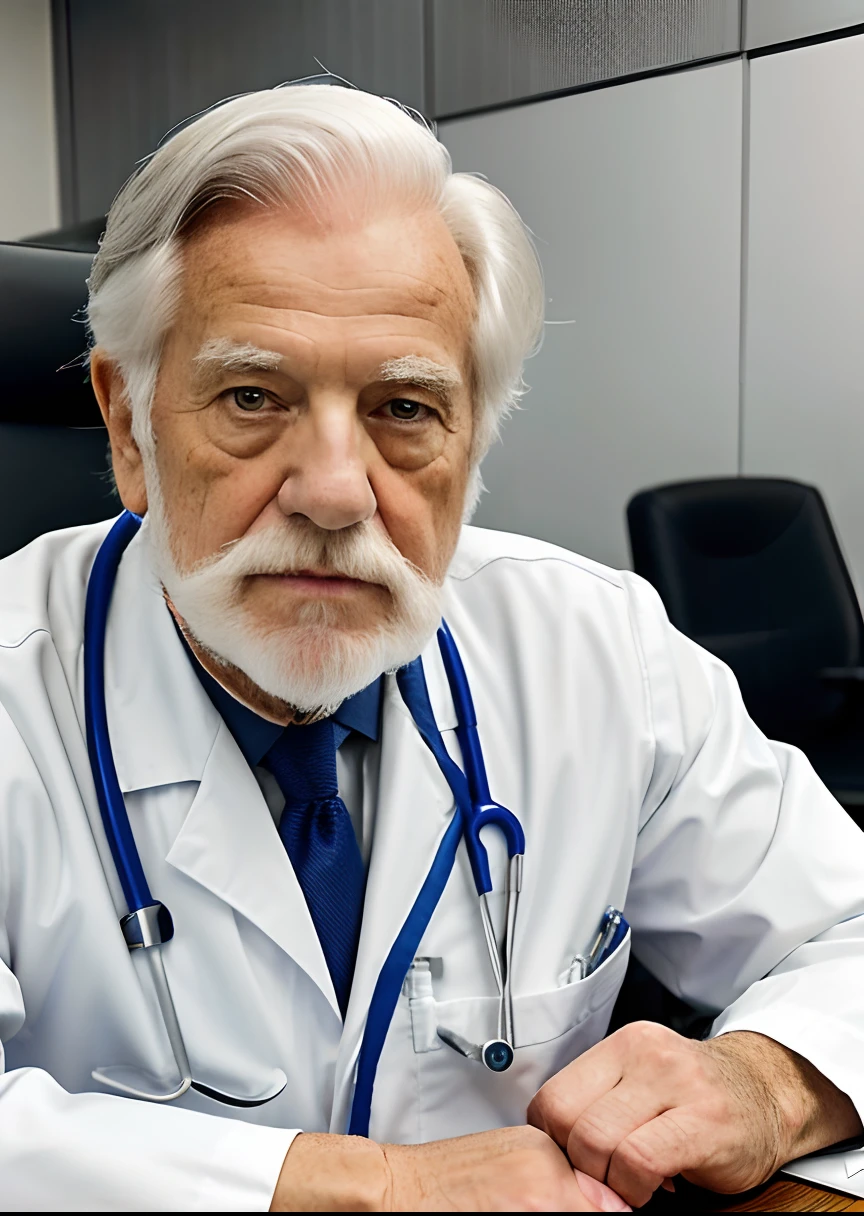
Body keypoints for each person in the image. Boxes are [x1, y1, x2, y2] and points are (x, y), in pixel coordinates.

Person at [1, 84, 863, 1214]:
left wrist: (766, 1079)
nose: (333, 491)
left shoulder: (595, 650)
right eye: (253, 395)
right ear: (128, 426)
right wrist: (367, 1186)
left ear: (475, 433)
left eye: (405, 409)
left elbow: (844, 926)